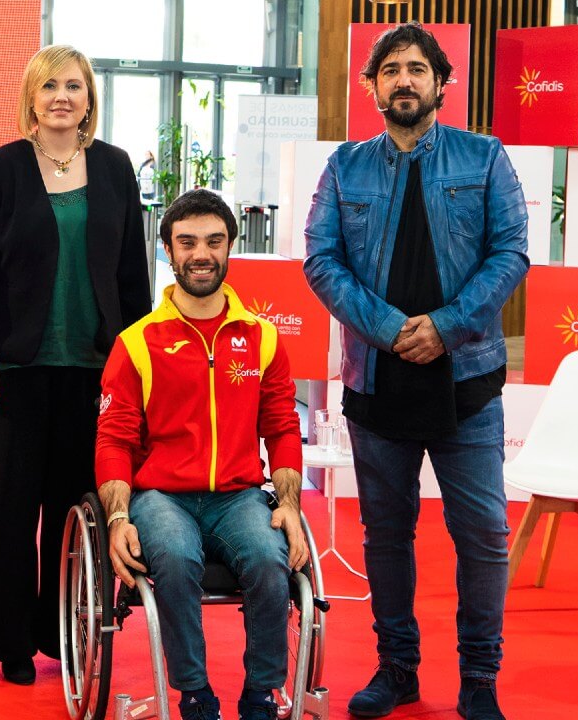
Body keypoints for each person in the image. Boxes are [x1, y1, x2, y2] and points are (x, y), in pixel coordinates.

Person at [303, 22, 529, 720]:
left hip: (466, 380)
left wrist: (445, 326)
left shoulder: (484, 157)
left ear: (441, 82)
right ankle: (396, 669)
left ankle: (479, 679)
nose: (404, 79)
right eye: (391, 70)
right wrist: (393, 329)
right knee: (386, 536)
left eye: (417, 69)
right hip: (378, 377)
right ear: (372, 86)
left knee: (484, 536)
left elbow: (512, 252)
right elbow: (320, 261)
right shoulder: (345, 166)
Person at [0, 44, 150, 685]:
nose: (62, 96)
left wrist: (136, 366)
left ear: (90, 98)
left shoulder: (116, 169)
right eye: (49, 86)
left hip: (95, 371)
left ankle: (63, 628)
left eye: (74, 86)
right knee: (6, 509)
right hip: (13, 368)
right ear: (31, 98)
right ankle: (8, 640)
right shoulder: (0, 169)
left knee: (76, 508)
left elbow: (131, 276)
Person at [97, 189, 308, 720]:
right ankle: (194, 695)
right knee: (171, 554)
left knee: (267, 558)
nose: (201, 254)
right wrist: (117, 517)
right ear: (168, 249)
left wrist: (290, 506)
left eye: (214, 241)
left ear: (230, 247)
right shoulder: (137, 343)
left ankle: (262, 694)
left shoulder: (261, 338)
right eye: (187, 242)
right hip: (161, 495)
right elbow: (113, 439)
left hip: (238, 496)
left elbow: (282, 426)